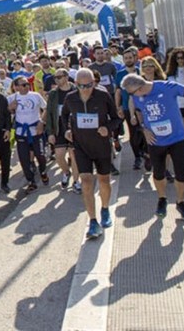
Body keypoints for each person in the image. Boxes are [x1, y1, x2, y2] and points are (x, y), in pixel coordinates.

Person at [123, 73, 184, 220]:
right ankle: (162, 198)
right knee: (158, 174)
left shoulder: (167, 87)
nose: (131, 96)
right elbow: (139, 113)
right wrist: (144, 128)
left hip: (177, 138)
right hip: (155, 141)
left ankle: (181, 202)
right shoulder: (137, 98)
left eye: (131, 93)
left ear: (139, 88)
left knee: (181, 174)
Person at [62, 68, 122, 239]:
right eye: (81, 86)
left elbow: (116, 118)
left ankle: (104, 208)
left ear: (94, 83)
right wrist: (67, 130)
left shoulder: (103, 96)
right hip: (81, 146)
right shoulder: (70, 98)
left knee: (103, 180)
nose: (85, 89)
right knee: (87, 181)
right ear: (76, 84)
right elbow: (64, 115)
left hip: (101, 146)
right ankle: (93, 221)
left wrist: (107, 128)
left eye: (89, 85)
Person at [8, 75, 48, 192]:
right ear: (16, 87)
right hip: (21, 133)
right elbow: (5, 112)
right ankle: (31, 181)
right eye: (23, 84)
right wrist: (10, 108)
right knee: (24, 159)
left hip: (36, 131)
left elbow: (46, 108)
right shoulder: (12, 98)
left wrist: (42, 122)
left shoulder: (35, 96)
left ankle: (43, 171)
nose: (27, 86)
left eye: (27, 84)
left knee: (40, 155)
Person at [46, 69, 79, 192]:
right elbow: (49, 113)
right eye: (55, 77)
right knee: (59, 156)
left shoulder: (76, 90)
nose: (57, 80)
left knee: (74, 155)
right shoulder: (53, 94)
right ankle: (66, 172)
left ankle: (76, 182)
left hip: (74, 126)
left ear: (66, 77)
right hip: (59, 126)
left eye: (59, 77)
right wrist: (49, 133)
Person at [115, 46, 147, 171]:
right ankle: (137, 157)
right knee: (133, 132)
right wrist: (118, 107)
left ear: (135, 58)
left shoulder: (141, 72)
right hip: (127, 108)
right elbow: (118, 91)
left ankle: (146, 152)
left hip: (142, 106)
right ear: (123, 60)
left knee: (144, 131)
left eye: (130, 57)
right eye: (126, 58)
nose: (128, 60)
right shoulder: (120, 74)